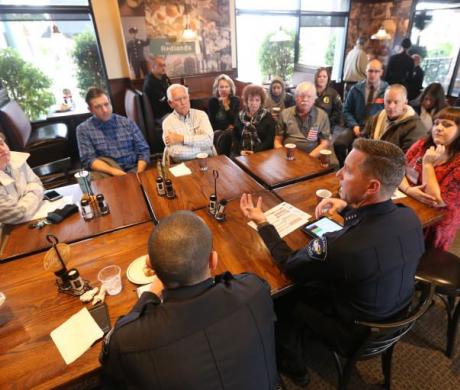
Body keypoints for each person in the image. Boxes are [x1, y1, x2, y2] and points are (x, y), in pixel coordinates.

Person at [240, 138, 424, 384]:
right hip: (397, 315)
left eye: (347, 170)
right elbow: (372, 226)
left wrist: (263, 223)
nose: (338, 174)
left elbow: (290, 264)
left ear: (372, 186)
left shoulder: (342, 248)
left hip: (356, 333)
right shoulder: (409, 217)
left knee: (284, 297)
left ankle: (295, 367)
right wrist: (348, 207)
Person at [101, 211, 279, 389]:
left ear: (152, 267)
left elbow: (110, 352)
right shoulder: (255, 290)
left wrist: (150, 295)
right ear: (213, 261)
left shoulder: (127, 341)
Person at [400, 107, 460, 250]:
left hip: (435, 222)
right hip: (408, 207)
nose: (438, 128)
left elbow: (436, 200)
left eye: (447, 125)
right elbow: (398, 170)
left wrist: (427, 164)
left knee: (422, 258)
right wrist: (408, 189)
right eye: (436, 123)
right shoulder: (422, 144)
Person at [76, 87, 150, 178]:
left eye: (106, 104)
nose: (105, 110)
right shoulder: (83, 129)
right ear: (90, 110)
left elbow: (143, 150)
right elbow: (88, 160)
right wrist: (114, 172)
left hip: (133, 169)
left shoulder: (127, 123)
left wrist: (139, 173)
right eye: (98, 107)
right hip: (107, 173)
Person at [334, 59, 388, 166]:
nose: (373, 74)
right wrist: (354, 125)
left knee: (359, 150)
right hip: (356, 125)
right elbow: (346, 110)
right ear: (365, 71)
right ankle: (343, 166)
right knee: (338, 143)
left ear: (381, 72)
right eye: (370, 71)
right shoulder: (355, 89)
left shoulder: (387, 91)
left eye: (376, 71)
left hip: (374, 130)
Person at [362, 84, 426, 152]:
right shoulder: (378, 116)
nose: (391, 106)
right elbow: (363, 137)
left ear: (405, 103)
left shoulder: (415, 127)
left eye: (396, 102)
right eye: (388, 102)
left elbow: (406, 158)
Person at [275, 81, 331, 158]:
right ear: (295, 97)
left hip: (312, 157)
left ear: (314, 99)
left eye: (309, 96)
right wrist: (284, 154)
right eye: (301, 96)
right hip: (287, 155)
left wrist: (308, 158)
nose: (305, 99)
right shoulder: (285, 113)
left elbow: (324, 143)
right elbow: (277, 140)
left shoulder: (322, 116)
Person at [0, 132, 44, 230]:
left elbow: (39, 184)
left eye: (1, 143)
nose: (2, 150)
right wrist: (34, 193)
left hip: (30, 221)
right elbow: (17, 215)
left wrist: (22, 205)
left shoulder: (16, 159)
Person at [162, 84, 215, 163]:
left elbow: (209, 141)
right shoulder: (167, 123)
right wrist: (204, 150)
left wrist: (182, 139)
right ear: (170, 103)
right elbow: (177, 154)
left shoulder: (201, 115)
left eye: (185, 97)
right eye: (178, 99)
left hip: (208, 161)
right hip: (182, 166)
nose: (183, 102)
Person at [232, 84, 276, 156]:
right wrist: (240, 151)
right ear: (246, 101)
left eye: (257, 100)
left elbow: (269, 141)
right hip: (241, 152)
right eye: (251, 100)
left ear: (261, 102)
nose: (254, 103)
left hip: (261, 153)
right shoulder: (240, 115)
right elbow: (235, 137)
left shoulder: (268, 116)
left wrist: (255, 152)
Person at [143, 55, 172, 123]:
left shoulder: (164, 77)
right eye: (160, 65)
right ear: (152, 67)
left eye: (164, 65)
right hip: (160, 115)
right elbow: (164, 101)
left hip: (168, 110)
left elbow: (172, 89)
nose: (163, 68)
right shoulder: (150, 82)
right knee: (184, 120)